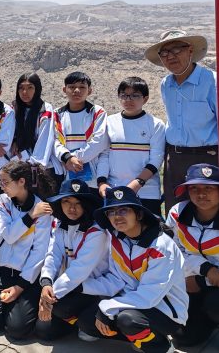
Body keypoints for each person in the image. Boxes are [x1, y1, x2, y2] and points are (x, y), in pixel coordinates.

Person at [78, 186, 188, 353]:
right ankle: (138, 338)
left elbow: (148, 296)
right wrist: (82, 286)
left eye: (124, 210)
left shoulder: (161, 246)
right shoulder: (120, 239)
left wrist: (107, 308)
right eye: (111, 212)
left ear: (139, 214)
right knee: (87, 321)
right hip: (132, 302)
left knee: (128, 320)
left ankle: (160, 346)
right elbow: (118, 280)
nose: (117, 217)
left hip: (165, 312)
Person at [0, 160, 54, 340]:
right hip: (1, 271)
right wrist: (31, 215)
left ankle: (14, 303)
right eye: (0, 182)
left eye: (5, 182)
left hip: (25, 277)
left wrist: (19, 287)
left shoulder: (43, 209)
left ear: (21, 182)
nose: (1, 186)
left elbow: (39, 252)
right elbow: (10, 236)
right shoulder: (1, 202)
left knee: (17, 330)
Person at [144, 30, 217, 210]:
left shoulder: (212, 81)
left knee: (208, 211)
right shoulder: (166, 84)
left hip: (207, 157)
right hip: (175, 159)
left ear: (190, 50)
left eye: (177, 49)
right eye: (165, 53)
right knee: (175, 210)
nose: (171, 56)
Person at [35, 179, 108, 341]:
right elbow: (53, 255)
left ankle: (87, 321)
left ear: (86, 205)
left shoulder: (97, 232)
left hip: (94, 288)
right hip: (70, 286)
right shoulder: (60, 224)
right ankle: (76, 322)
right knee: (43, 331)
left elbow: (78, 272)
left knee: (63, 310)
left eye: (78, 203)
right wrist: (46, 282)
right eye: (66, 201)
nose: (72, 208)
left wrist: (48, 298)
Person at [166, 164, 219, 348]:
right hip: (192, 280)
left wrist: (203, 278)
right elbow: (172, 252)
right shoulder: (177, 213)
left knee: (215, 304)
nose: (201, 194)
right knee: (184, 338)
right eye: (194, 188)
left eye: (209, 188)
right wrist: (203, 270)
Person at [96, 77, 165, 216]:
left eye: (135, 95)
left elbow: (156, 159)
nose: (129, 99)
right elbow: (104, 155)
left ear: (145, 99)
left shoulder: (156, 124)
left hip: (146, 192)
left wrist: (137, 183)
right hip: (115, 190)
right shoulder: (109, 122)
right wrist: (102, 182)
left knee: (148, 231)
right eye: (124, 95)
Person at [53, 72, 107, 189]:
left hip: (93, 179)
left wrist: (73, 159)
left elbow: (100, 141)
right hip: (66, 175)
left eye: (82, 87)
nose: (77, 90)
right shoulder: (57, 114)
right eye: (72, 87)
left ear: (90, 91)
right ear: (64, 89)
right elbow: (54, 141)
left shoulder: (97, 112)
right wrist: (66, 157)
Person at [11, 73, 58, 196]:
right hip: (20, 164)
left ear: (38, 89)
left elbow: (45, 139)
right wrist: (14, 141)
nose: (25, 92)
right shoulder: (14, 108)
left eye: (30, 87)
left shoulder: (45, 109)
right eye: (21, 88)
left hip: (40, 169)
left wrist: (32, 165)